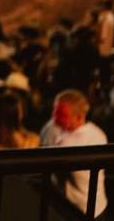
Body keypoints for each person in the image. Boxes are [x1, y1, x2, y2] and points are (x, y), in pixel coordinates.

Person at [41, 89, 108, 218]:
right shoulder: (53, 127)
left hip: (86, 210)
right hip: (65, 205)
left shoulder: (93, 138)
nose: (54, 117)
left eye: (60, 114)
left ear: (79, 117)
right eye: (54, 110)